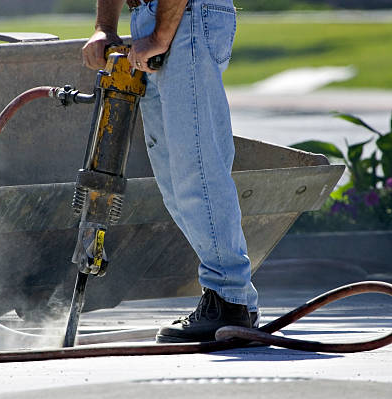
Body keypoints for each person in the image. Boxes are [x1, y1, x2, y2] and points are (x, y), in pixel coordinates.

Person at [82, 0, 259, 343]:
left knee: (198, 169)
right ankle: (234, 303)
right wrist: (105, 27)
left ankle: (229, 298)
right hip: (158, 18)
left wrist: (162, 33)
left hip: (184, 15)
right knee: (175, 182)